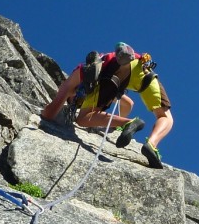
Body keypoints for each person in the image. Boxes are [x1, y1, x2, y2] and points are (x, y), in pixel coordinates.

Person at [41, 42, 173, 169]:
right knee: (164, 116)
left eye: (73, 100)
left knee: (83, 117)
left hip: (115, 70)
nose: (77, 101)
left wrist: (47, 108)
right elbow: (128, 104)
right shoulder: (92, 84)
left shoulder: (75, 78)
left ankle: (130, 125)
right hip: (140, 69)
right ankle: (151, 143)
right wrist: (118, 124)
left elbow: (49, 114)